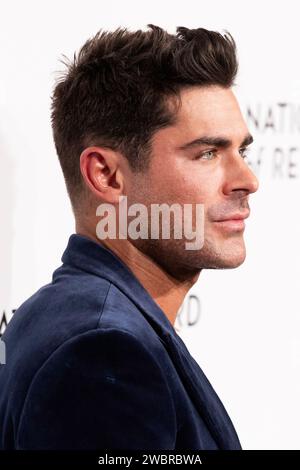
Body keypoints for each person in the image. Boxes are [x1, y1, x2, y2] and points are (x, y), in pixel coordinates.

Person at [0, 24, 259, 450]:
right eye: (208, 153)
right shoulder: (102, 353)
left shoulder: (69, 319)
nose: (247, 180)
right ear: (107, 175)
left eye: (241, 151)